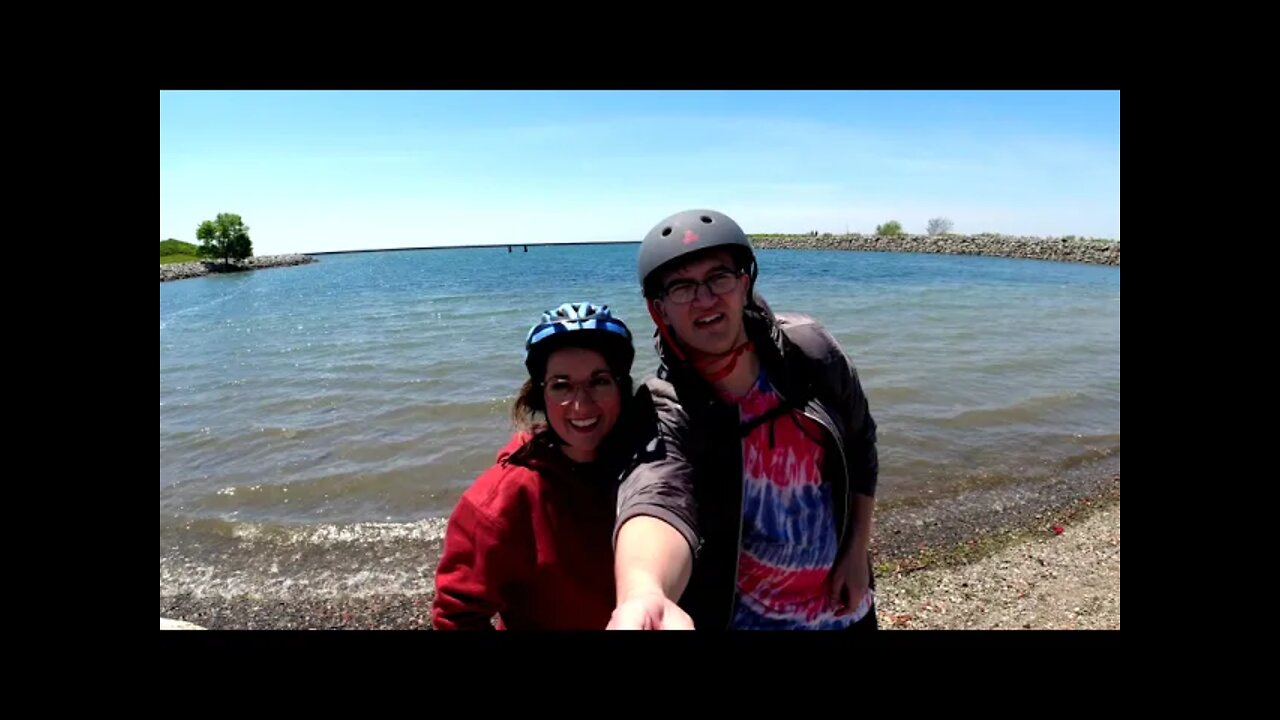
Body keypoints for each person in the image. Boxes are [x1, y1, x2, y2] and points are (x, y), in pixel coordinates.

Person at [608, 209, 880, 630]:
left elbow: (862, 443)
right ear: (658, 308)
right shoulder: (666, 406)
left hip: (847, 609)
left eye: (719, 276)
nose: (704, 298)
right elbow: (655, 494)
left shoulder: (810, 352)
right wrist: (645, 592)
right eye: (681, 286)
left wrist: (857, 551)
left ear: (745, 282)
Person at [432, 302, 640, 630]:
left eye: (599, 381)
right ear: (539, 395)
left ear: (621, 387)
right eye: (561, 385)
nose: (581, 403)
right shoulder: (500, 501)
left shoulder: (646, 467)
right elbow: (456, 616)